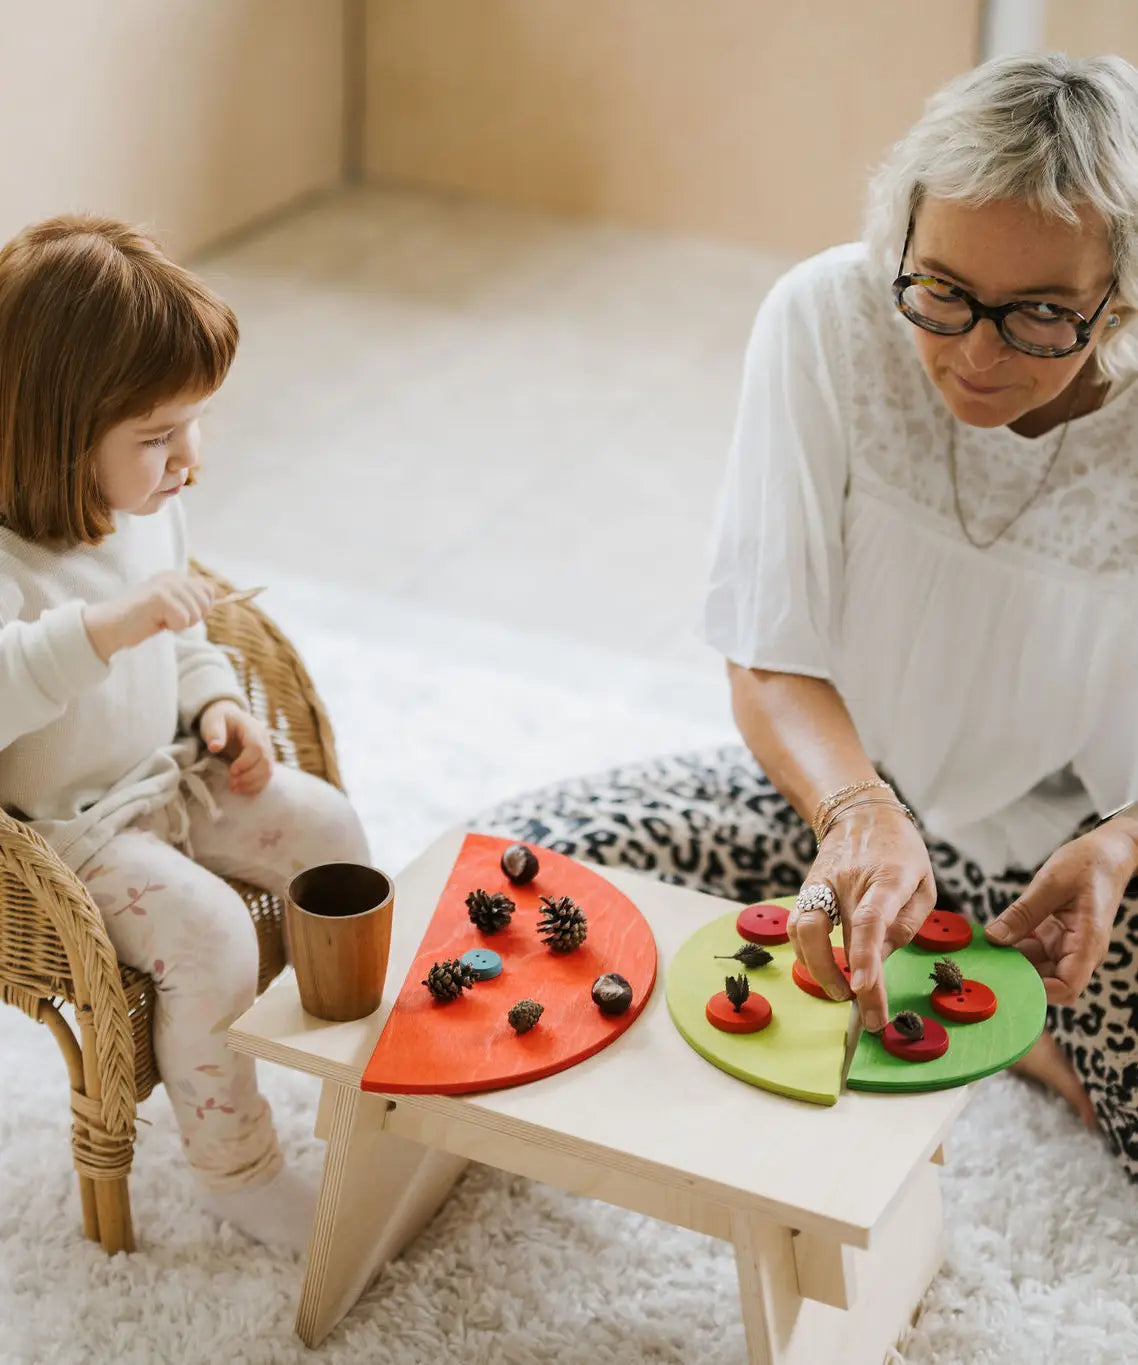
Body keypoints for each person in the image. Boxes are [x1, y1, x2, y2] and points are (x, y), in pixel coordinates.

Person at [481, 53, 1138, 1180]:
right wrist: (853, 813)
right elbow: (768, 649)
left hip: (1070, 878)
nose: (973, 354)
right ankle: (974, 999)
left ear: (1118, 297)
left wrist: (1120, 842)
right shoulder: (827, 319)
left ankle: (997, 994)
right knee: (516, 896)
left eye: (1036, 316)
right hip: (842, 813)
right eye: (938, 289)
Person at [0, 215, 369, 1250]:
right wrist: (101, 632)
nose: (188, 461)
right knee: (207, 935)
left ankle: (348, 1068)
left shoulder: (149, 503)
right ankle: (233, 1167)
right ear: (52, 435)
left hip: (173, 774)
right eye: (157, 438)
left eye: (193, 424)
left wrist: (215, 702)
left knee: (326, 828)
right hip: (72, 837)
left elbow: (184, 621)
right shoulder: (13, 562)